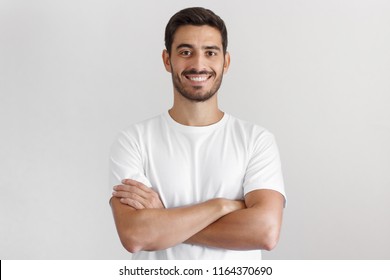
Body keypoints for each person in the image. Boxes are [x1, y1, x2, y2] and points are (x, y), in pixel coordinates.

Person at [109, 7, 286, 260]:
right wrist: (222, 206)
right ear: (167, 60)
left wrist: (163, 219)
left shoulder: (256, 140)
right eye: (185, 52)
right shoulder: (133, 141)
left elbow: (265, 232)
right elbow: (136, 235)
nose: (198, 64)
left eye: (210, 52)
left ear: (225, 61)